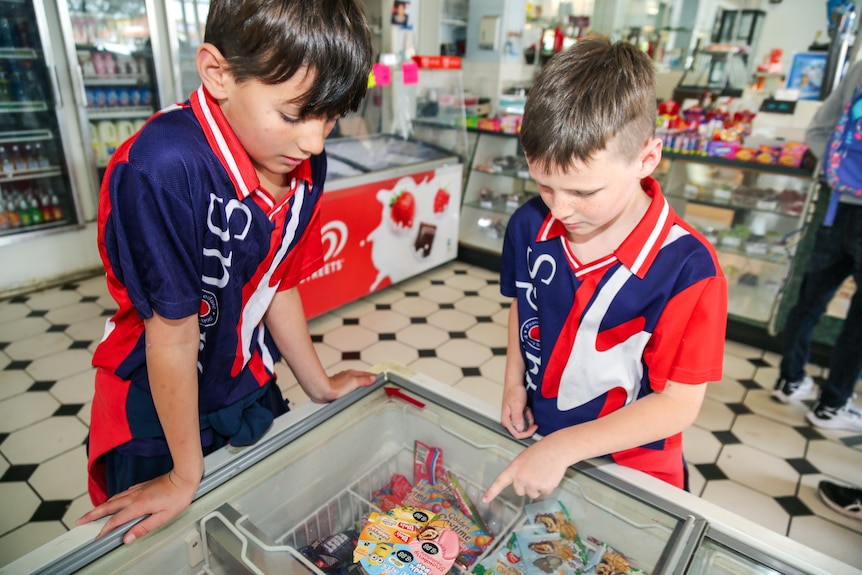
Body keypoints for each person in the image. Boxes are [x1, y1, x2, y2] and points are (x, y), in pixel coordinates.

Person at [76, 0, 377, 544]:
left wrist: (321, 386)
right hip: (156, 400)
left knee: (257, 530)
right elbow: (172, 331)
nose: (315, 141)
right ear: (218, 73)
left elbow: (276, 283)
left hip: (243, 383)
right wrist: (183, 474)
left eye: (330, 117)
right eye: (293, 114)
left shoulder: (304, 164)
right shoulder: (163, 167)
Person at [482, 37, 727, 503]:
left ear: (646, 159)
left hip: (635, 468)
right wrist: (514, 382)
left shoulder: (690, 269)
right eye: (544, 185)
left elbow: (677, 403)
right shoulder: (529, 224)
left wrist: (566, 447)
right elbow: (524, 305)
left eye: (585, 192)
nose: (562, 208)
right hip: (544, 436)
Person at [770, 58, 862, 432]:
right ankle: (832, 404)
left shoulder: (858, 68)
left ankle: (789, 379)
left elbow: (818, 132)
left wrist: (843, 175)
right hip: (841, 205)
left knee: (810, 300)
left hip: (836, 206)